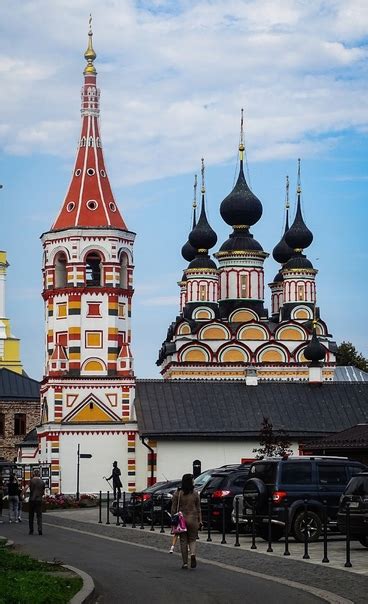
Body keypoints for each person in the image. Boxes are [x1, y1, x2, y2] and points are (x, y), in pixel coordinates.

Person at [171, 473, 202, 569]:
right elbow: (198, 508)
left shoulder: (178, 493)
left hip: (182, 520)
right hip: (193, 518)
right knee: (192, 539)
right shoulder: (195, 493)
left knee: (183, 541)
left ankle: (185, 563)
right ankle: (192, 554)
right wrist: (200, 520)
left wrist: (173, 518)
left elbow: (173, 508)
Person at [28, 468, 45, 535]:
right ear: (39, 474)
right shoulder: (42, 482)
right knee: (39, 515)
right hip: (39, 500)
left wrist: (21, 495)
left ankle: (31, 530)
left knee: (31, 515)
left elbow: (26, 488)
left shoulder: (31, 481)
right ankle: (40, 529)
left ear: (33, 474)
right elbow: (43, 492)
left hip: (32, 499)